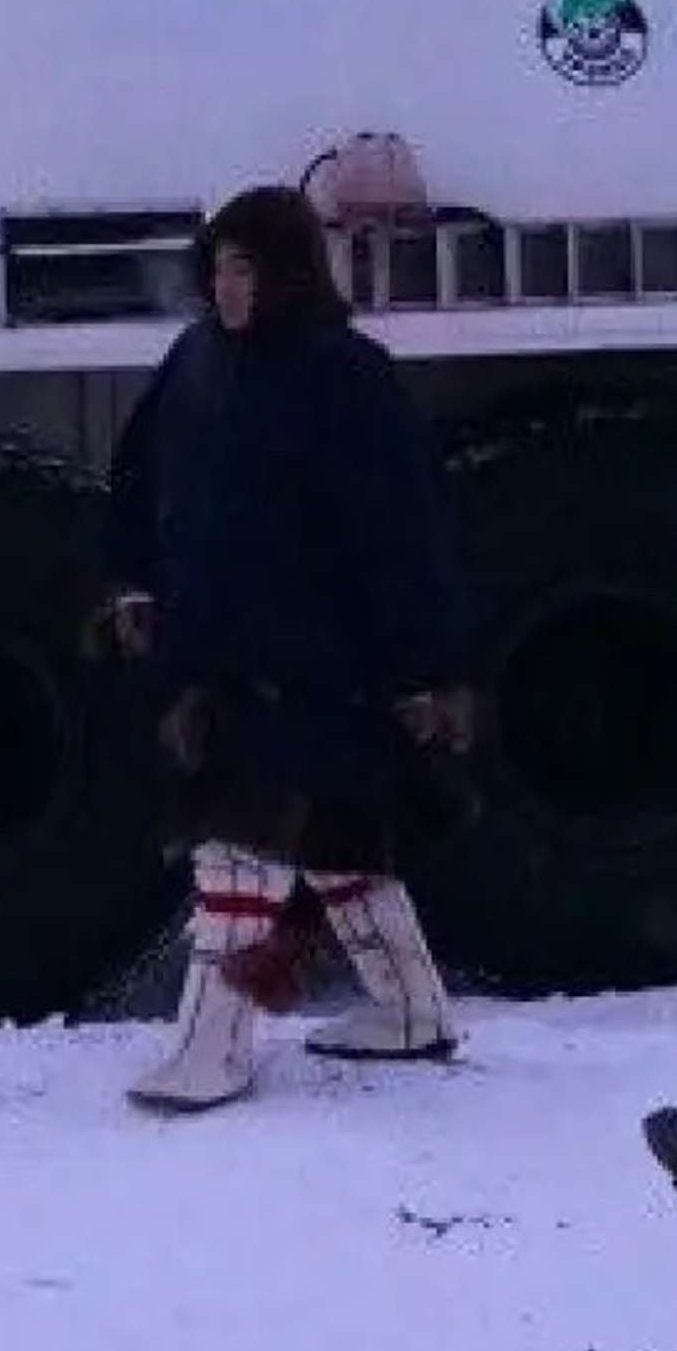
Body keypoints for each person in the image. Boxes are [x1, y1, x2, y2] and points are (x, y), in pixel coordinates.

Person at [100, 183, 474, 1110]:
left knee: (237, 855)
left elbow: (406, 535)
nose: (228, 289)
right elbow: (139, 478)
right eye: (219, 268)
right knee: (338, 848)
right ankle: (412, 1013)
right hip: (218, 658)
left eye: (247, 268)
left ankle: (211, 1052)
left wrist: (427, 670)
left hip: (319, 668)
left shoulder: (349, 378)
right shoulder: (194, 363)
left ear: (290, 273)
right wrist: (133, 580)